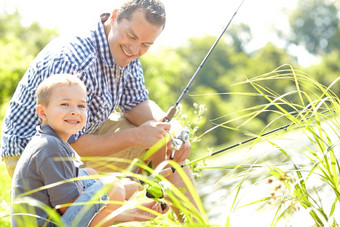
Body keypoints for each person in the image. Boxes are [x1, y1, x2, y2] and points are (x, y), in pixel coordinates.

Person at [2, 0, 197, 218]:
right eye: (131, 37)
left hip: (81, 134)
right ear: (114, 17)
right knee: (102, 197)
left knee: (165, 143)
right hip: (37, 153)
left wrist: (173, 130)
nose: (135, 50)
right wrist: (136, 137)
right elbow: (66, 141)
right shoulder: (75, 60)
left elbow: (136, 104)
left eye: (145, 45)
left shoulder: (126, 52)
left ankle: (194, 222)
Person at [11, 74, 170, 227]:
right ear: (42, 112)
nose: (74, 111)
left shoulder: (51, 142)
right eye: (64, 104)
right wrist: (119, 191)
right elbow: (67, 207)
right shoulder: (49, 147)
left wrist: (135, 213)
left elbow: (77, 211)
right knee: (112, 187)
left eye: (81, 105)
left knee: (90, 175)